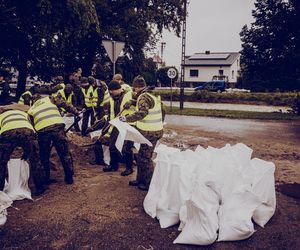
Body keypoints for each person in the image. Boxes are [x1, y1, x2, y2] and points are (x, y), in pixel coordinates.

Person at [119, 75, 164, 191]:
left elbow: (142, 112)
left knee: (145, 158)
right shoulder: (150, 94)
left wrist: (126, 118)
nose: (133, 91)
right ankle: (140, 179)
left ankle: (148, 183)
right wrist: (132, 102)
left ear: (137, 87)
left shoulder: (143, 97)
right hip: (153, 131)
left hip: (151, 132)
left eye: (134, 88)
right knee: (141, 156)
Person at [27, 95, 80, 185]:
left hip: (42, 131)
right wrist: (76, 112)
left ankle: (45, 179)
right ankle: (69, 177)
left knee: (44, 156)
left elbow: (31, 125)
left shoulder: (31, 109)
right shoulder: (49, 99)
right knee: (64, 153)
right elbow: (64, 103)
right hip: (57, 127)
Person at [86, 80, 135, 176]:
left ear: (118, 89)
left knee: (126, 148)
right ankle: (113, 165)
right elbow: (110, 116)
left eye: (112, 91)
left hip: (128, 125)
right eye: (110, 92)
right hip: (116, 124)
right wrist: (105, 130)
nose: (111, 94)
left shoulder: (130, 94)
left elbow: (140, 100)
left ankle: (129, 168)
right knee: (112, 146)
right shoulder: (113, 99)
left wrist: (132, 102)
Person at [0, 105, 46, 195]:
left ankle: (1, 190)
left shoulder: (1, 116)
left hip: (8, 132)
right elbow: (31, 125)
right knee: (35, 160)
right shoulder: (23, 114)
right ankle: (40, 187)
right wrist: (27, 152)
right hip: (27, 131)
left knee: (1, 162)